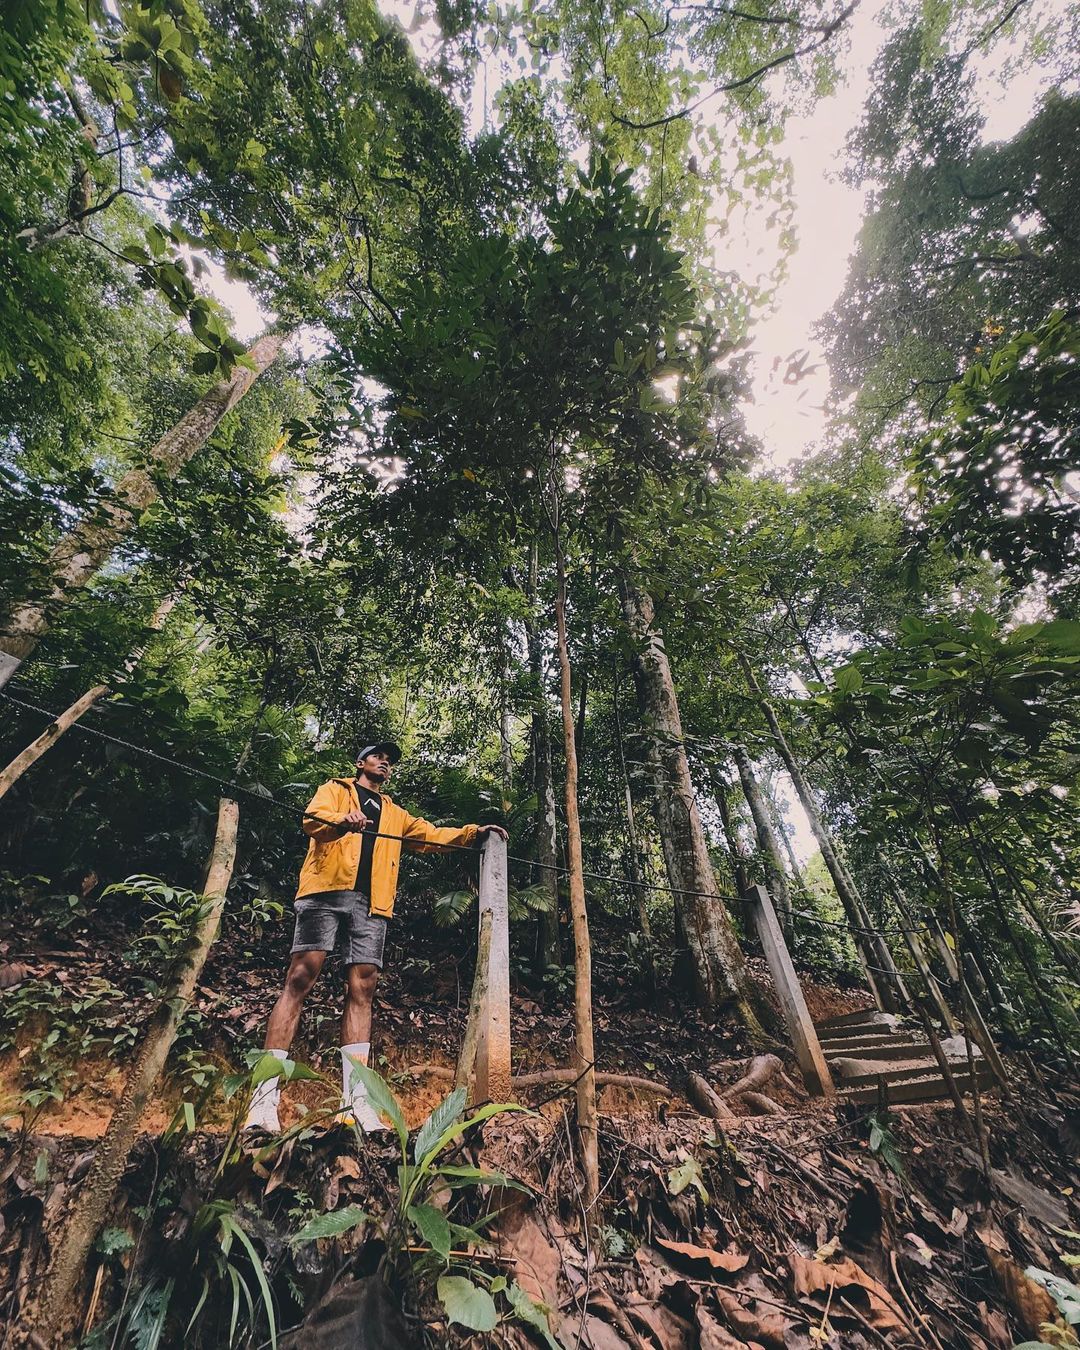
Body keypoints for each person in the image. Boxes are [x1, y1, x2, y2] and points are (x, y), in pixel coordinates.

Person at [244, 741, 508, 1132]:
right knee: (300, 976)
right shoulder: (335, 789)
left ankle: (356, 1104)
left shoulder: (394, 813)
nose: (385, 762)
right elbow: (312, 820)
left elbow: (430, 835)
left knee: (363, 987)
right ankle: (263, 1101)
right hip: (324, 892)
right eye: (377, 756)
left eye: (389, 760)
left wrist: (473, 834)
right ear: (360, 762)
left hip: (372, 903)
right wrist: (342, 821)